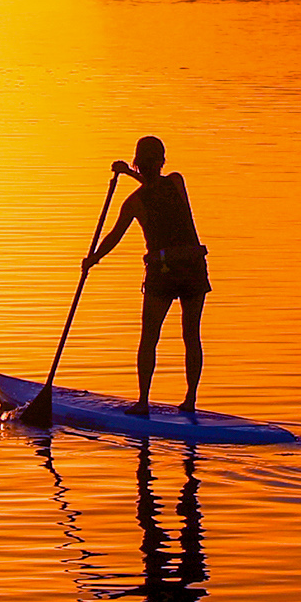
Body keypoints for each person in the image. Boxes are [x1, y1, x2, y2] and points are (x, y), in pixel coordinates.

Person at [83, 134, 212, 418]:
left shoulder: (134, 202)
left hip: (164, 273)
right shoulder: (177, 183)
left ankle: (143, 402)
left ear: (138, 163)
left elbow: (114, 237)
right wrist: (129, 173)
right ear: (162, 161)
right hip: (193, 268)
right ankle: (190, 400)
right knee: (191, 336)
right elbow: (157, 185)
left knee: (149, 337)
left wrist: (93, 259)